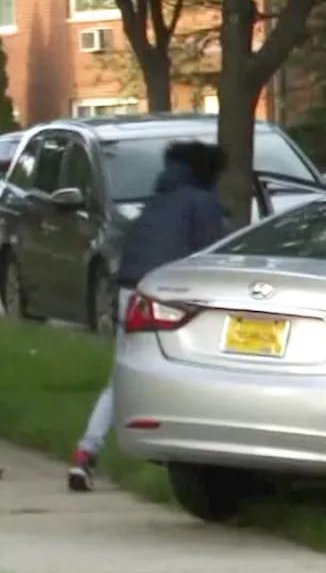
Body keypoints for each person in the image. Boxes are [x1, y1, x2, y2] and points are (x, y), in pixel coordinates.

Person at [68, 140, 227, 492]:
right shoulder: (202, 204)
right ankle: (197, 462)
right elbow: (210, 260)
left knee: (120, 377)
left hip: (131, 293)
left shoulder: (158, 201)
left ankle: (86, 452)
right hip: (171, 296)